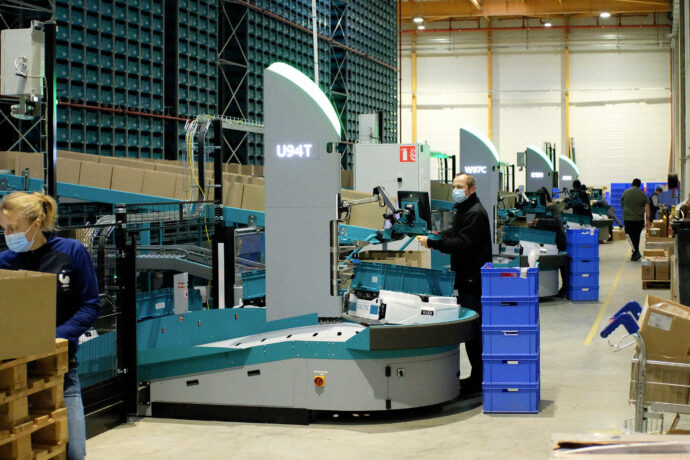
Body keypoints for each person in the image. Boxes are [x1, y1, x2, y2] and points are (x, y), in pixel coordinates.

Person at [0, 192, 100, 460]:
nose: (8, 235)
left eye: (13, 228)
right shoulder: (5, 263)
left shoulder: (70, 252)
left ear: (36, 224)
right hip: (13, 372)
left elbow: (90, 305)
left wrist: (52, 339)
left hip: (61, 369)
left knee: (74, 452)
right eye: (5, 229)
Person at [418, 173, 492, 395]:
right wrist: (437, 236)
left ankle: (480, 379)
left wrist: (433, 243)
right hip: (465, 278)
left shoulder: (476, 213)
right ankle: (477, 377)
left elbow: (462, 242)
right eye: (454, 186)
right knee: (471, 331)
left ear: (471, 188)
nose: (455, 190)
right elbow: (454, 233)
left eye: (459, 186)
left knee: (474, 331)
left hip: (473, 281)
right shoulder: (465, 210)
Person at [531, 187, 568, 296]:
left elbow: (557, 221)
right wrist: (533, 224)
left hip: (558, 240)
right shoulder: (540, 209)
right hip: (547, 241)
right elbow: (539, 223)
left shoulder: (553, 207)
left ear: (545, 196)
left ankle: (565, 288)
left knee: (561, 265)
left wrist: (540, 221)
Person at [621, 178, 647, 261]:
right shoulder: (642, 194)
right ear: (639, 185)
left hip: (628, 219)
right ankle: (636, 252)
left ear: (632, 184)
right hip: (639, 220)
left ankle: (635, 252)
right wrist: (649, 219)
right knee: (636, 236)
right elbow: (647, 205)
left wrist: (626, 212)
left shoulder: (626, 192)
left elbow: (622, 204)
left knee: (629, 235)